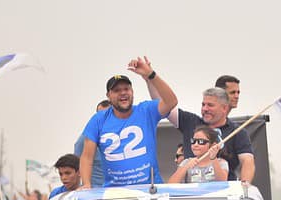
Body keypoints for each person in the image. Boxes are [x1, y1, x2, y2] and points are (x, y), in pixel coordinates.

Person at [79, 57, 178, 188]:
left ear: (132, 92)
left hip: (150, 189)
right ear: (108, 95)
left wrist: (150, 74)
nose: (123, 93)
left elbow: (171, 101)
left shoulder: (146, 111)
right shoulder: (98, 119)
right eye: (117, 90)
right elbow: (86, 157)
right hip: (115, 193)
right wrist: (86, 184)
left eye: (126, 89)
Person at [148, 79, 256, 184]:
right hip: (191, 195)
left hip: (223, 196)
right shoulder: (190, 121)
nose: (205, 109)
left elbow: (247, 161)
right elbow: (164, 104)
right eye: (203, 104)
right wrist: (149, 77)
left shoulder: (238, 132)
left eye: (210, 105)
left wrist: (244, 186)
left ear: (224, 108)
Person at [72, 100, 112, 188]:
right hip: (96, 192)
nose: (103, 118)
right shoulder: (85, 139)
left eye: (106, 114)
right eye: (100, 114)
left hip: (118, 189)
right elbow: (76, 165)